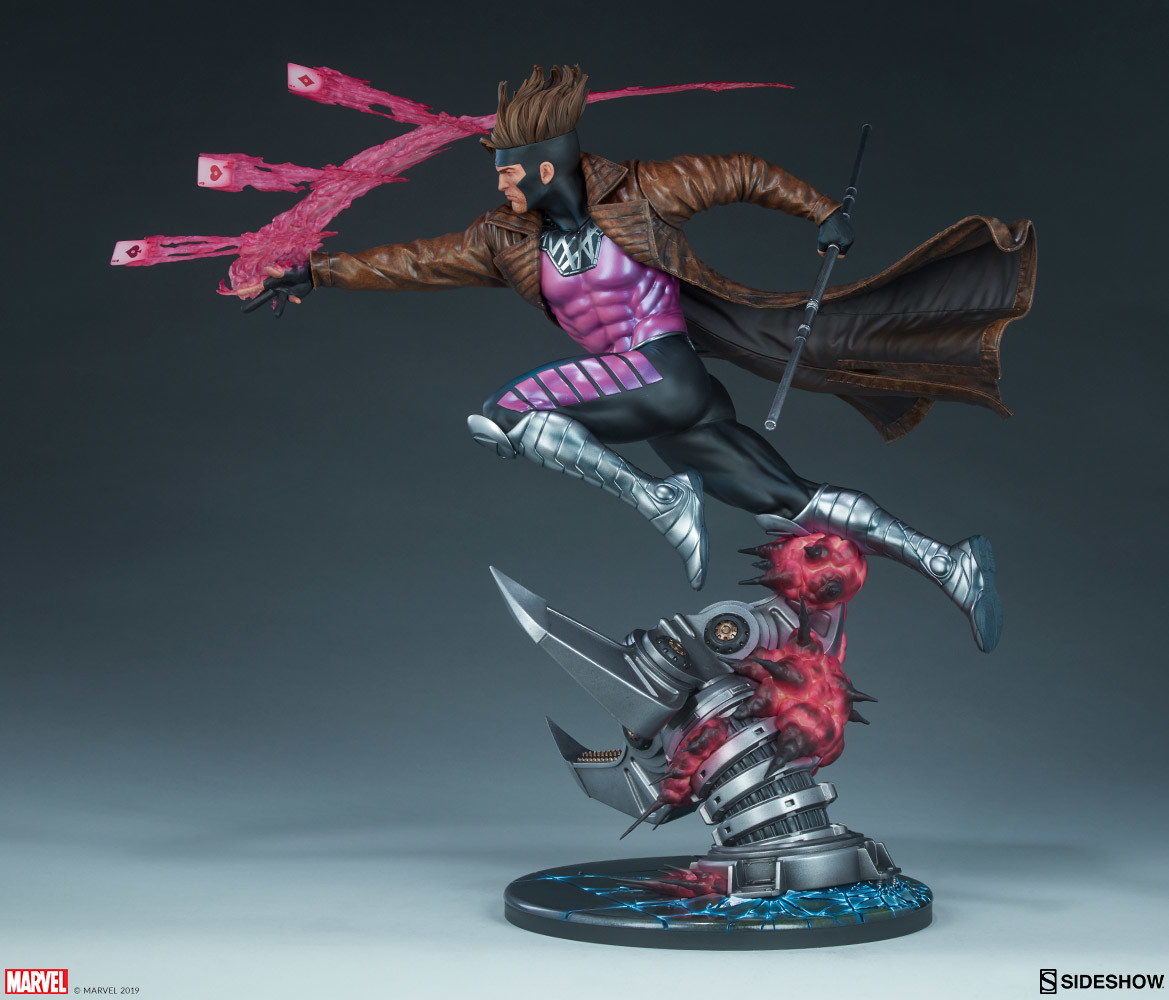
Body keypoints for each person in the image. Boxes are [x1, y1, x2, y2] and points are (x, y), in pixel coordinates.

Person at [244, 66, 1037, 654]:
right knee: (787, 501)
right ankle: (949, 564)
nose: (501, 185)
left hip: (666, 370)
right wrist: (315, 272)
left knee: (507, 414)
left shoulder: (642, 192)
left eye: (509, 171)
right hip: (665, 405)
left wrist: (822, 211)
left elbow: (742, 172)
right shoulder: (503, 238)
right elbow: (416, 261)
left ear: (546, 167)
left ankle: (658, 501)